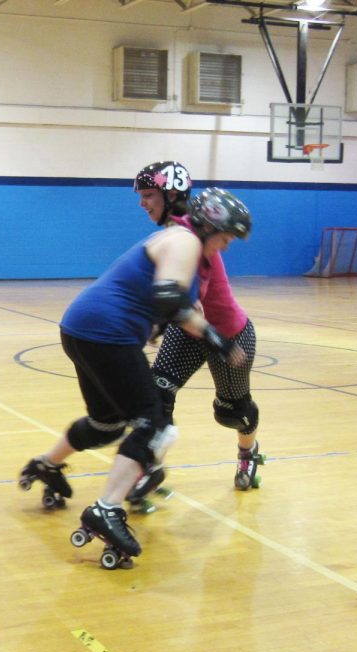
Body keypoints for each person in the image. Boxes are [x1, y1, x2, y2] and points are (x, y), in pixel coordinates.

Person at [19, 187, 252, 565]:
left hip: (83, 327)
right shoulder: (185, 241)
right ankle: (106, 509)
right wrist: (219, 342)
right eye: (225, 239)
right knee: (156, 426)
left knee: (106, 423)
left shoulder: (180, 244)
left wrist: (195, 328)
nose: (225, 248)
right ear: (210, 227)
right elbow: (169, 299)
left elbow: (179, 305)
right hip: (108, 332)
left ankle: (47, 464)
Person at [130, 162, 264, 505]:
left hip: (228, 332)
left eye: (148, 195)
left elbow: (193, 296)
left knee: (233, 411)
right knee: (158, 394)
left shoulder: (193, 232)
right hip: (189, 327)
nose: (142, 203)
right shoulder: (180, 228)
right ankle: (150, 468)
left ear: (171, 195)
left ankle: (248, 453)